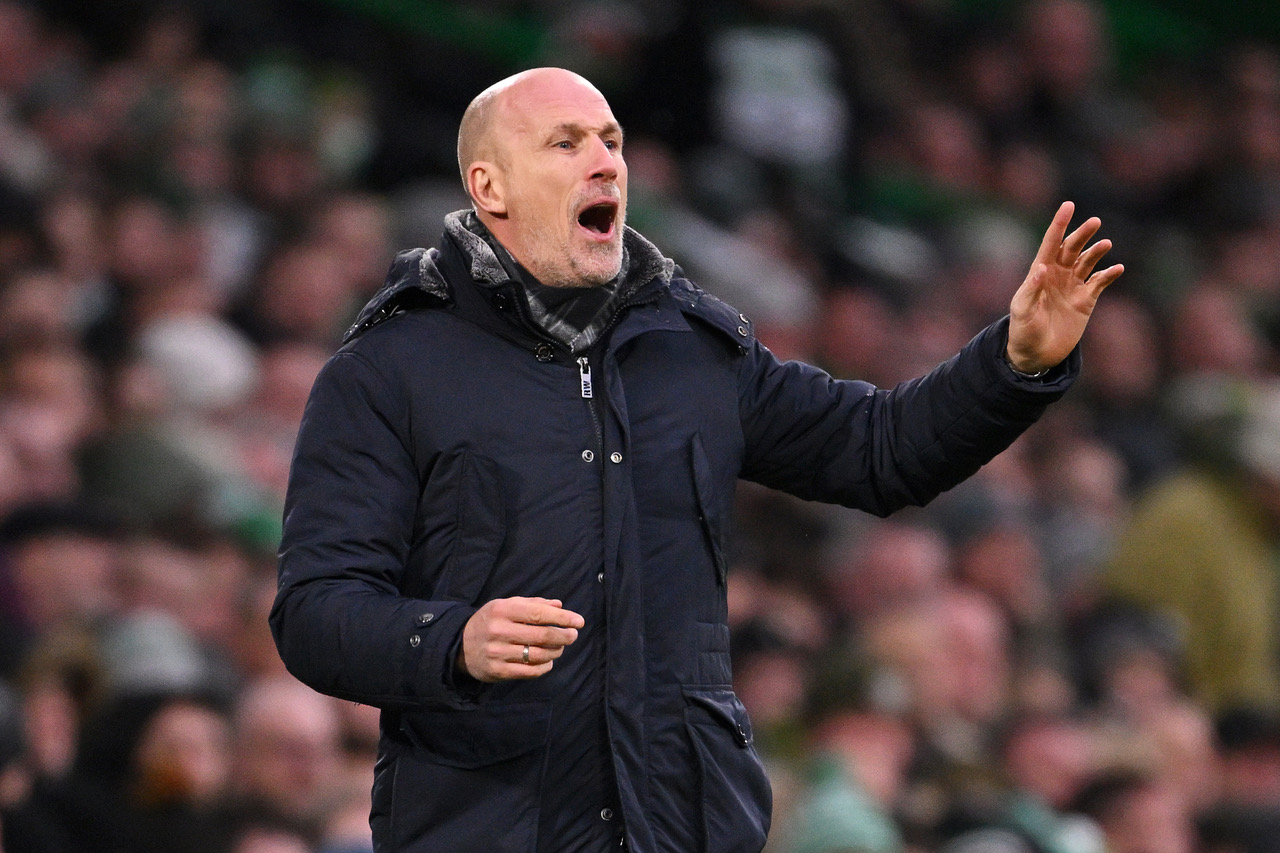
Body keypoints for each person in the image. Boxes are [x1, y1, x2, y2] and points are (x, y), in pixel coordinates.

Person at [269, 67, 1122, 853]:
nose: (604, 162)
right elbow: (315, 611)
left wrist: (1014, 363)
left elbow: (880, 450)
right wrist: (451, 639)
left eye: (611, 141)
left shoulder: (693, 350)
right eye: (565, 143)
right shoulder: (389, 370)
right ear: (489, 186)